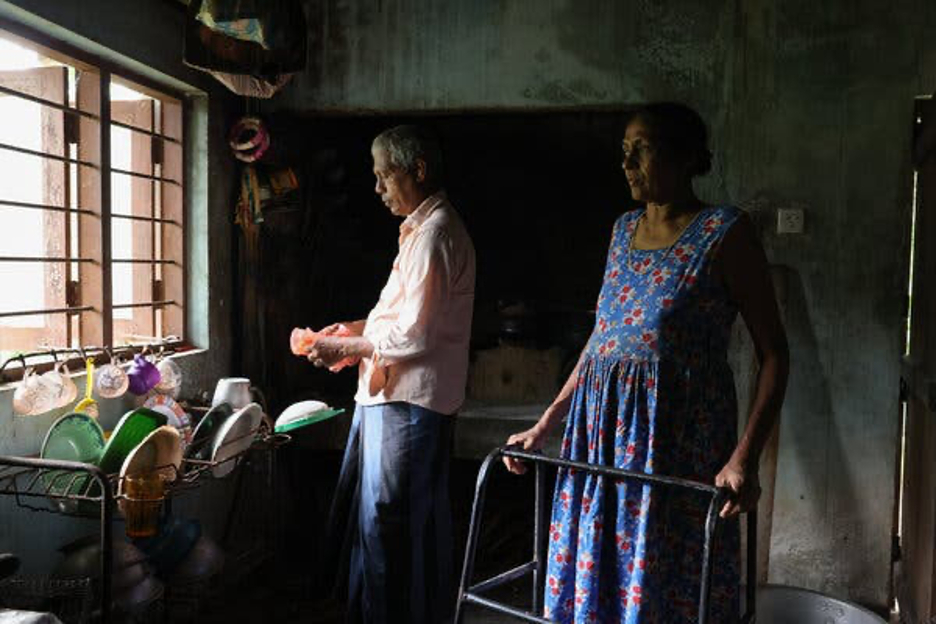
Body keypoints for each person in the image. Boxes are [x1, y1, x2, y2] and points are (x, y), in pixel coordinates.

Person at [504, 103, 789, 623]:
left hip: (673, 444)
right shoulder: (621, 230)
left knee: (665, 582)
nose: (628, 161)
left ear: (684, 157)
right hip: (600, 442)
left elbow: (775, 354)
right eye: (624, 150)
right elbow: (602, 340)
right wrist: (547, 423)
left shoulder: (724, 232)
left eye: (643, 148)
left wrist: (743, 459)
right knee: (597, 573)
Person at [307, 124, 476, 624]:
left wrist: (350, 345)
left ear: (418, 171)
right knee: (385, 522)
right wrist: (355, 330)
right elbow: (401, 319)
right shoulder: (419, 233)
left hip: (408, 401)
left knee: (392, 526)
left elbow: (417, 338)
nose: (378, 190)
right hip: (390, 396)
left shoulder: (436, 233)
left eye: (385, 177)